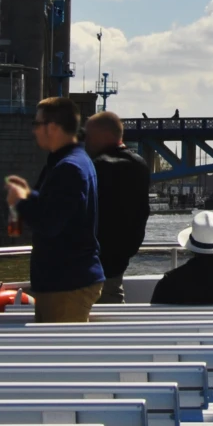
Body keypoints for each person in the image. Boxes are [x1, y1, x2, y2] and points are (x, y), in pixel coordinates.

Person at [4, 96, 105, 323]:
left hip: (67, 283)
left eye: (36, 124)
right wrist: (29, 195)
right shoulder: (71, 160)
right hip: (66, 280)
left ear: (52, 127)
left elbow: (51, 223)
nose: (34, 131)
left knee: (64, 355)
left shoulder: (68, 167)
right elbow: (59, 206)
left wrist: (21, 202)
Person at [84, 111, 152, 304]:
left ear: (103, 136)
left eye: (88, 136)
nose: (85, 142)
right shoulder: (139, 165)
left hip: (92, 265)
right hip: (119, 262)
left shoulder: (96, 167)